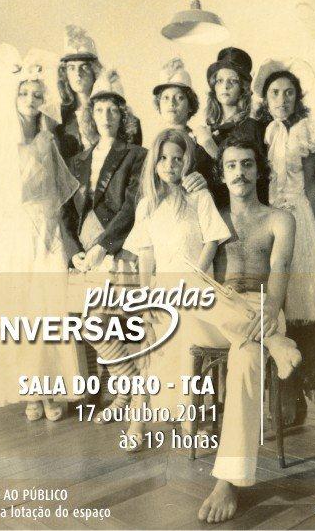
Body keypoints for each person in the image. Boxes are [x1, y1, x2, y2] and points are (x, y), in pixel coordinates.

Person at [154, 133, 300, 523]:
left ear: (259, 170)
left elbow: (281, 269)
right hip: (219, 310)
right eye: (231, 166)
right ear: (221, 174)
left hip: (262, 307)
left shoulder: (280, 218)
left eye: (247, 164)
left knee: (248, 356)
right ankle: (275, 343)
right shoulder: (211, 214)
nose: (240, 173)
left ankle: (227, 481)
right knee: (186, 288)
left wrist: (270, 313)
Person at [0, 43, 81, 420]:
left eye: (36, 94)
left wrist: (52, 228)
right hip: (12, 232)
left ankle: (50, 390)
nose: (30, 99)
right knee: (20, 308)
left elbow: (56, 190)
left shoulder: (47, 138)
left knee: (48, 308)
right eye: (24, 93)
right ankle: (29, 391)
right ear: (12, 98)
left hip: (44, 229)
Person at [121, 128, 231, 451]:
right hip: (163, 289)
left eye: (177, 159)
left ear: (187, 162)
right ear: (154, 163)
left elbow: (212, 240)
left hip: (196, 287)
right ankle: (137, 424)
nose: (170, 165)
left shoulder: (199, 196)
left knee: (187, 349)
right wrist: (145, 301)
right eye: (163, 159)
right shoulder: (147, 205)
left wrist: (196, 277)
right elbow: (146, 256)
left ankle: (189, 423)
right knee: (152, 350)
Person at [59, 69, 148, 423]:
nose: (106, 116)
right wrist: (74, 251)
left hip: (116, 251)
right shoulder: (78, 161)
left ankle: (127, 392)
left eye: (113, 110)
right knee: (86, 324)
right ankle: (125, 388)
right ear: (91, 115)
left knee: (104, 324)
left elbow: (131, 205)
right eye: (99, 110)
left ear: (123, 116)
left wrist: (103, 246)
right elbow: (65, 212)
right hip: (84, 255)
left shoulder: (137, 155)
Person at [253, 60, 315, 420]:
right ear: (265, 99)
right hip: (271, 216)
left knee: (301, 303)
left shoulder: (306, 129)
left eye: (288, 93)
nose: (282, 99)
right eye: (275, 93)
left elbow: (312, 186)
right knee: (276, 300)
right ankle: (283, 394)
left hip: (299, 216)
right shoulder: (268, 131)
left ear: (298, 97)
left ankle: (299, 390)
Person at [193, 47, 268, 205]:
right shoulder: (208, 128)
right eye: (220, 81)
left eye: (232, 81)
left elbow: (251, 178)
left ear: (243, 88)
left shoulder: (251, 127)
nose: (225, 86)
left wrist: (209, 145)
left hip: (236, 208)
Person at [54, 25, 142, 160]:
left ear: (94, 70)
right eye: (71, 68)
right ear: (65, 74)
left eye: (84, 67)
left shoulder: (124, 118)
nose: (78, 74)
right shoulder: (60, 119)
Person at [152, 57, 219, 201]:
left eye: (179, 98)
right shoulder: (155, 145)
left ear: (190, 105)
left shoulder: (200, 142)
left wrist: (205, 183)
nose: (172, 103)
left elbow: (218, 184)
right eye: (165, 98)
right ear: (159, 105)